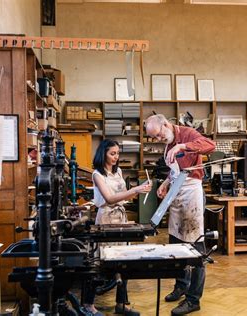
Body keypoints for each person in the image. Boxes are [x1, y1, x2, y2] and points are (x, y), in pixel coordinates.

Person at [145, 114, 215, 315]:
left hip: (191, 192)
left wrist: (183, 146)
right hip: (176, 192)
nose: (159, 140)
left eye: (158, 135)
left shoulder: (187, 134)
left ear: (166, 124)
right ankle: (181, 285)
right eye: (155, 139)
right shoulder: (168, 141)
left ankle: (193, 299)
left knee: (195, 247)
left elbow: (210, 144)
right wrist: (166, 184)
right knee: (176, 242)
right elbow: (174, 171)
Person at [82, 139, 152, 316]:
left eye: (117, 153)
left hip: (120, 217)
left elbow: (122, 198)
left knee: (124, 261)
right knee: (101, 262)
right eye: (112, 153)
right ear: (103, 154)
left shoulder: (118, 171)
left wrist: (140, 191)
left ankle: (122, 303)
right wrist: (136, 190)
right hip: (106, 218)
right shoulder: (97, 175)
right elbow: (110, 198)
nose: (116, 157)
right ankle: (88, 305)